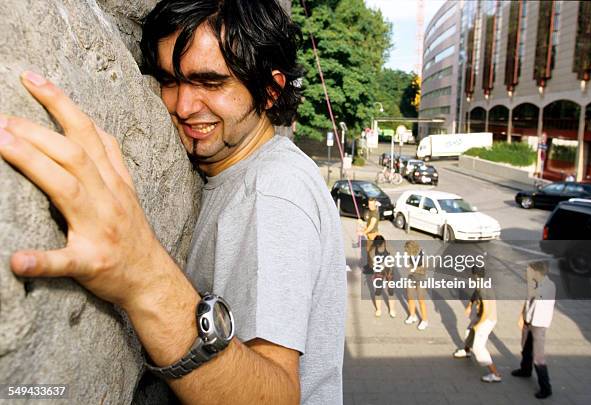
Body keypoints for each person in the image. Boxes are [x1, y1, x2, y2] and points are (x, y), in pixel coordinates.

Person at [0, 1, 346, 404]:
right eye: (170, 80)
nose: (183, 106)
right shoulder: (240, 173)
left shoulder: (273, 192)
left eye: (211, 83)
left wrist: (141, 273)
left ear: (270, 91)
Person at [512, 261, 556, 399]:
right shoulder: (536, 284)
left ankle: (546, 388)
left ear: (537, 273)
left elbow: (535, 296)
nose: (527, 273)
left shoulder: (547, 286)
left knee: (538, 357)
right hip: (529, 321)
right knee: (525, 348)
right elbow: (528, 300)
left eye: (529, 271)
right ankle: (525, 370)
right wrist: (523, 317)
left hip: (539, 324)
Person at [453, 267, 501, 382]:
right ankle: (466, 351)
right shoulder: (481, 283)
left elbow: (487, 310)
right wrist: (470, 305)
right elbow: (475, 293)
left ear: (475, 275)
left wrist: (479, 324)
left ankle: (495, 374)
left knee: (479, 348)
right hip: (481, 317)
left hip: (486, 320)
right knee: (469, 332)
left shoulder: (484, 289)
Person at [403, 240, 429, 331]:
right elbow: (408, 265)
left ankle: (425, 321)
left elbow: (425, 268)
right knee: (410, 297)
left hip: (421, 278)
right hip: (411, 277)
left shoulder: (422, 254)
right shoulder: (409, 254)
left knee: (421, 300)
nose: (406, 252)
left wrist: (414, 269)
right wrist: (409, 267)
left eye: (407, 250)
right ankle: (412, 315)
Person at [370, 235, 396, 318]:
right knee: (378, 290)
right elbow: (374, 263)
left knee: (391, 290)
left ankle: (392, 309)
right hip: (379, 270)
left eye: (381, 245)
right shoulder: (373, 251)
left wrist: (388, 267)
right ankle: (378, 309)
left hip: (389, 269)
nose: (380, 246)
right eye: (378, 245)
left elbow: (393, 259)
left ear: (384, 242)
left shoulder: (388, 247)